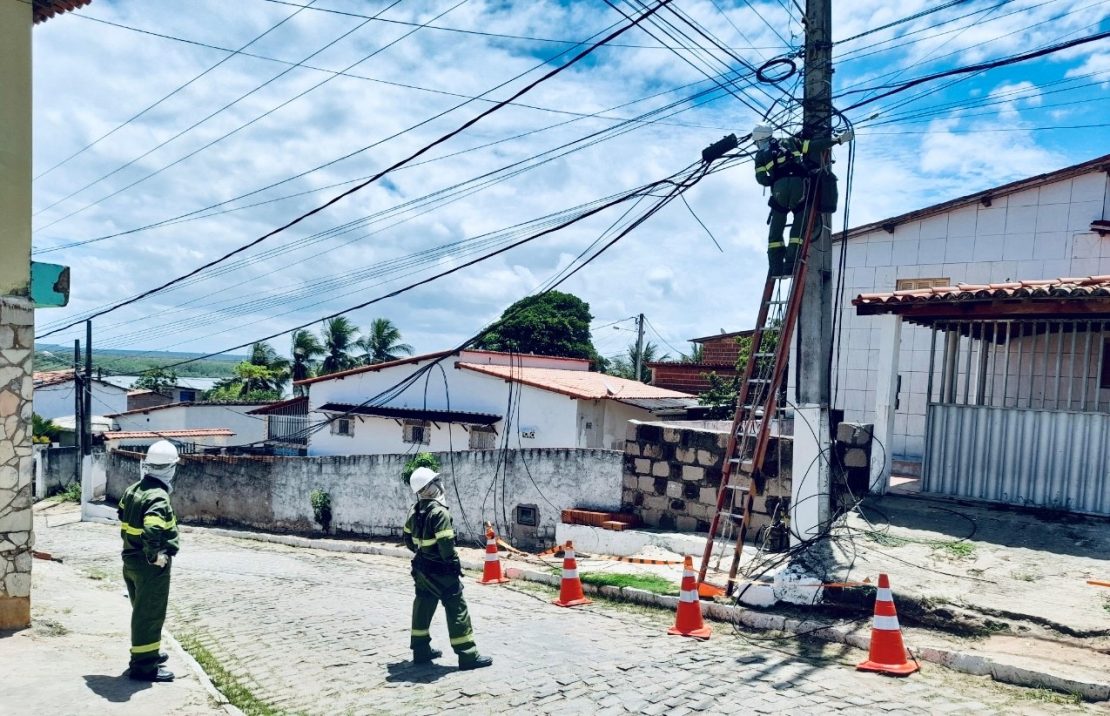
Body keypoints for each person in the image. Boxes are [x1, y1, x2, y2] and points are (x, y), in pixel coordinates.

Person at [403, 467, 492, 671]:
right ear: (429, 488)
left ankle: (421, 650)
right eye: (436, 481)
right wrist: (452, 564)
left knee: (423, 606)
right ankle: (468, 655)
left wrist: (422, 550)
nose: (440, 484)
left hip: (422, 569)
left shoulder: (415, 511)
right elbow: (446, 545)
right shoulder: (439, 512)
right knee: (457, 607)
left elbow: (408, 539)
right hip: (440, 571)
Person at [752, 123, 854, 276]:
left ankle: (776, 268)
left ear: (759, 139)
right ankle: (791, 264)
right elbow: (814, 146)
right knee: (798, 230)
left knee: (775, 234)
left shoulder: (760, 156)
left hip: (779, 192)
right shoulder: (789, 142)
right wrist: (838, 140)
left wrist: (775, 180)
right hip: (800, 188)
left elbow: (762, 179)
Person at [117, 440, 181, 682]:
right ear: (170, 468)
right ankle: (144, 667)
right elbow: (152, 528)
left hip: (130, 560)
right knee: (149, 615)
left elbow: (122, 513)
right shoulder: (158, 497)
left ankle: (149, 653)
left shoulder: (134, 489)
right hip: (149, 566)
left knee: (142, 611)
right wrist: (155, 556)